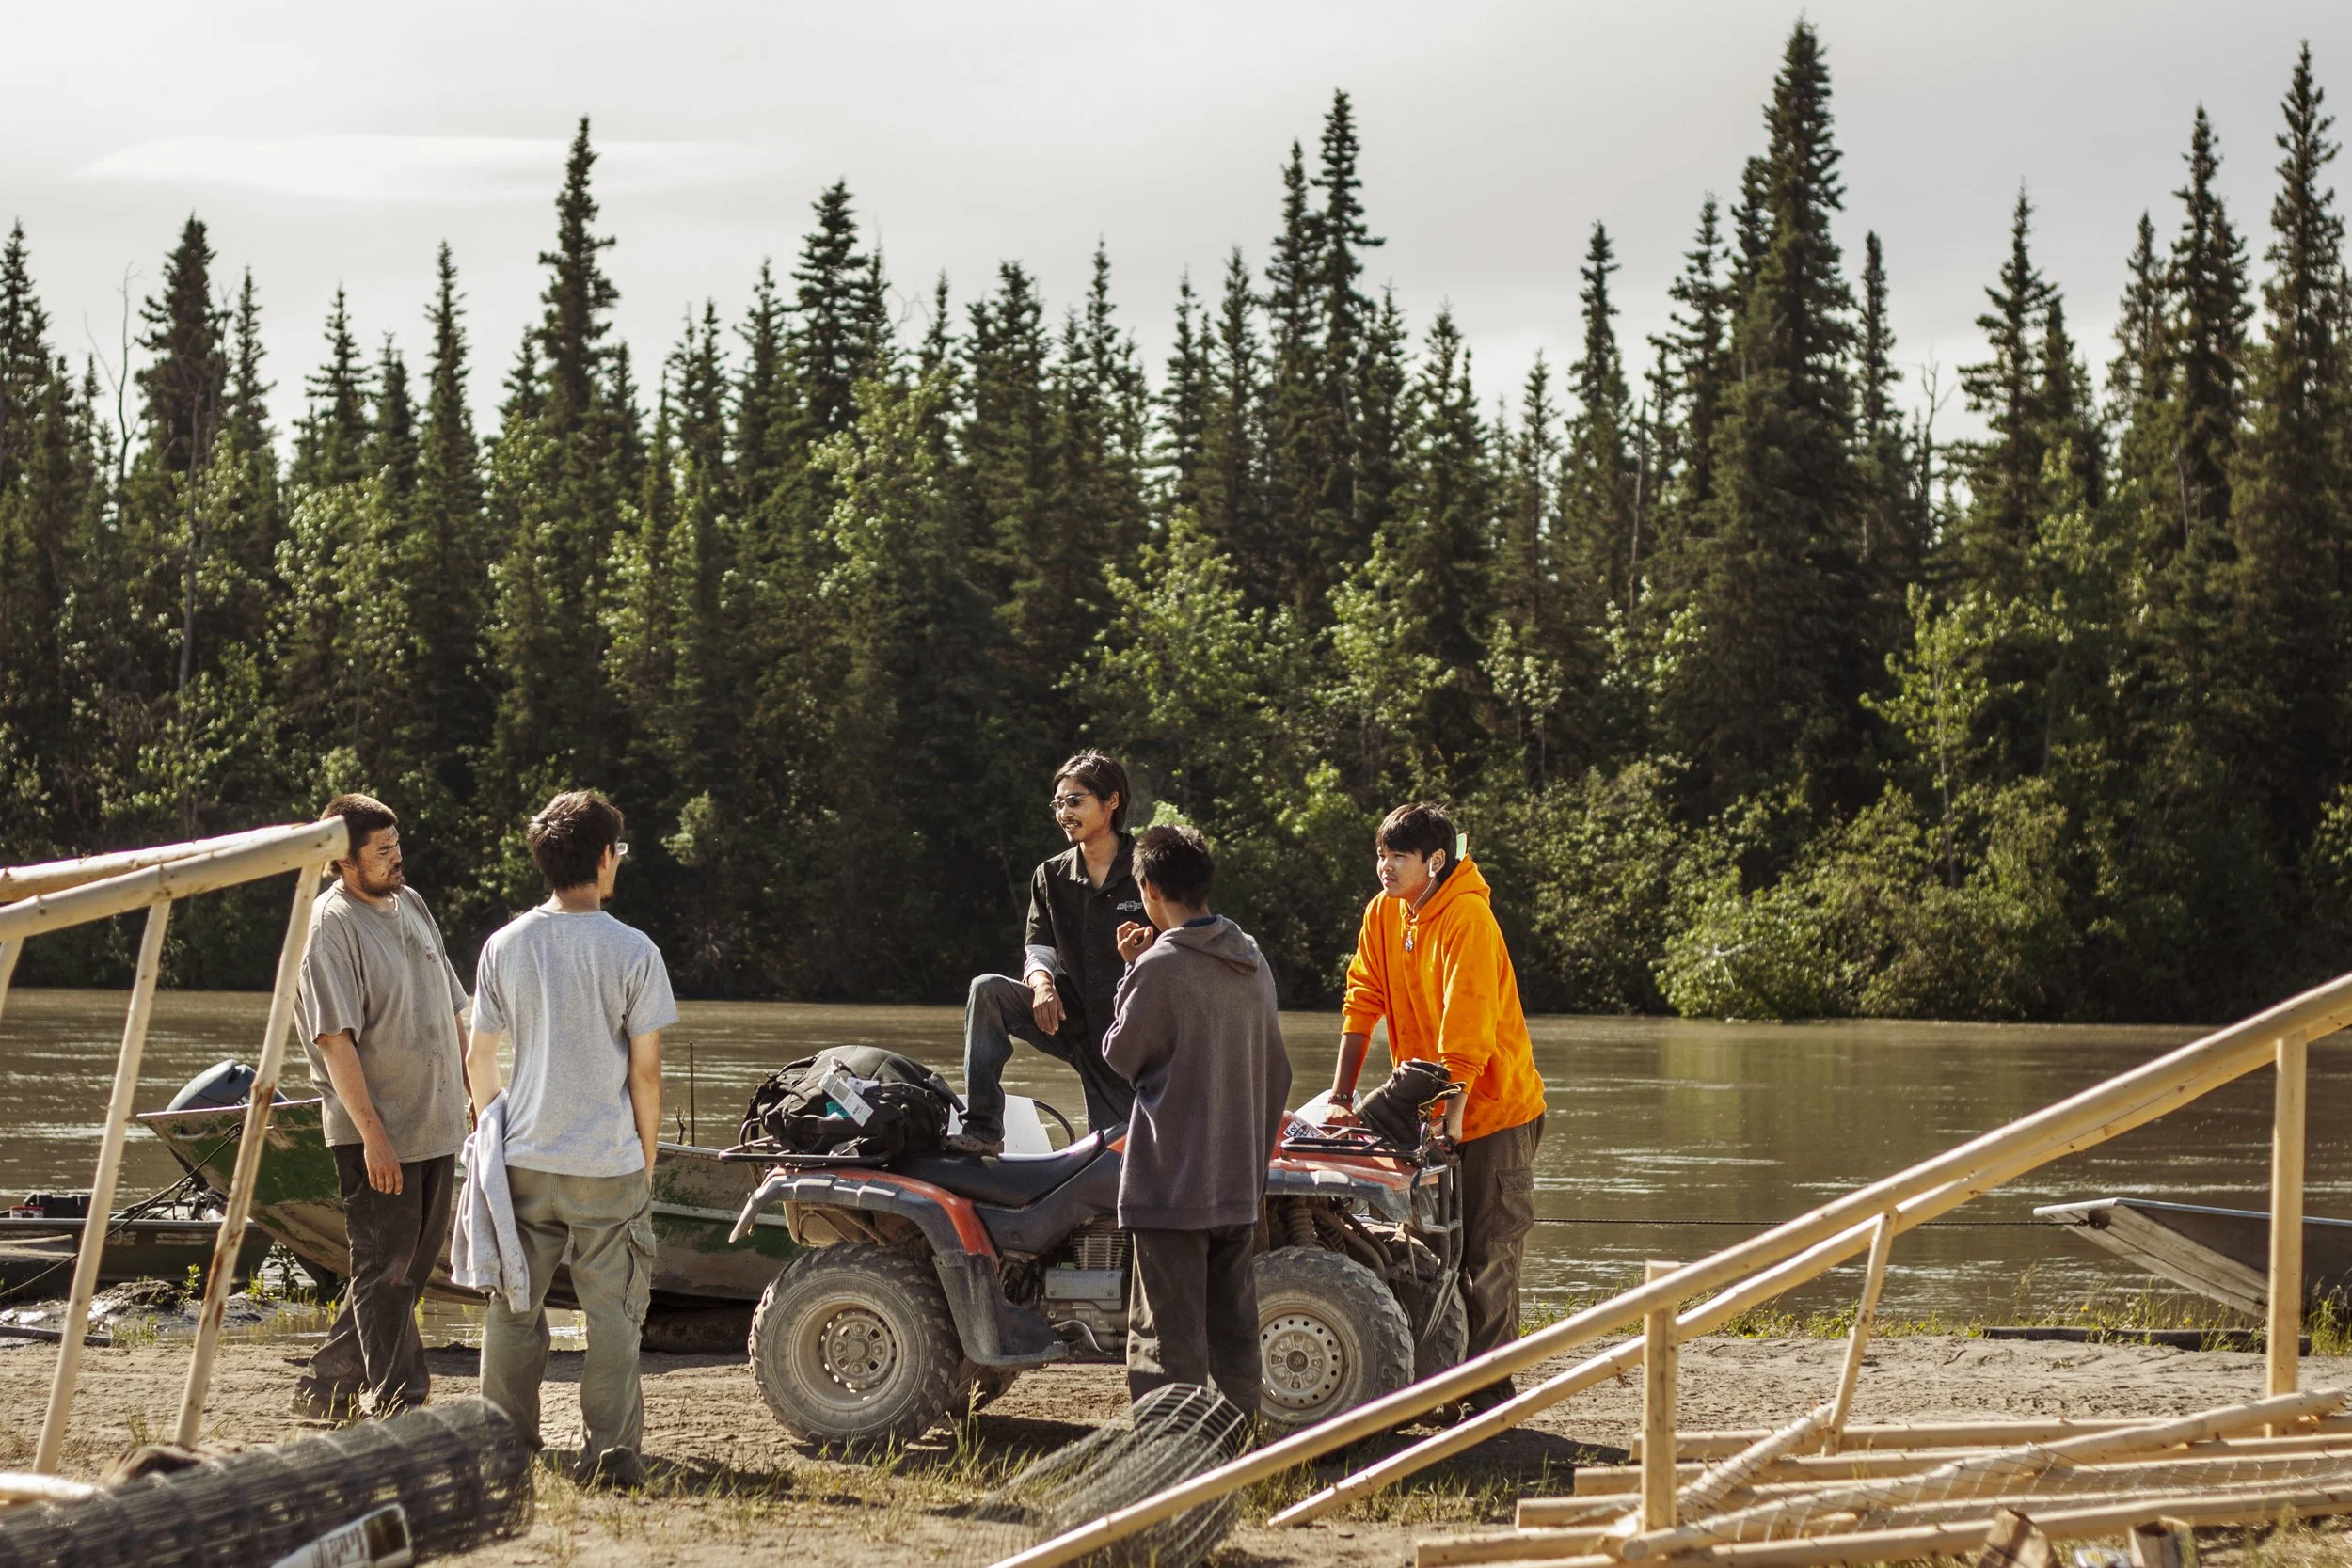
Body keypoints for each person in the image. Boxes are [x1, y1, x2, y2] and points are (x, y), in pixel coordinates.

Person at [464, 791, 675, 1490]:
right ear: (605, 857)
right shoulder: (634, 949)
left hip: (523, 1155)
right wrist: (644, 1158)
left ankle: (502, 1442)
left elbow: (479, 1059)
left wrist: (498, 1120)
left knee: (514, 1303)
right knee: (611, 1312)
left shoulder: (504, 944)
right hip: (605, 1162)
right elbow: (646, 1073)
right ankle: (611, 1456)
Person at [1332, 802, 1546, 1417]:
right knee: (1425, 1251)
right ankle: (1434, 1384)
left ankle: (1488, 1397)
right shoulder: (1384, 914)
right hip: (1430, 1111)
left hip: (1495, 1111)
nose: (1384, 868)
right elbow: (1362, 999)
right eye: (1380, 854)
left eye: (1398, 857)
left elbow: (1467, 1028)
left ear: (1435, 860)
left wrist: (1451, 1117)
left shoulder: (1468, 917)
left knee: (1490, 1255)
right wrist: (1344, 1096)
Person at [291, 794, 474, 1419]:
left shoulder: (412, 903)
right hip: (378, 1133)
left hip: (436, 1123)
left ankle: (327, 1386)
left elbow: (454, 1007)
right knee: (384, 1271)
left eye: (398, 846)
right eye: (382, 851)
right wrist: (373, 1136)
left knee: (405, 1272)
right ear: (344, 860)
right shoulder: (330, 925)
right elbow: (335, 1041)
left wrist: (475, 1091)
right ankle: (402, 1401)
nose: (397, 859)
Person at [1103, 824, 1291, 1414]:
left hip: (1170, 1186)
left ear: (1152, 889)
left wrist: (1130, 969)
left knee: (1166, 1344)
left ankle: (1173, 1465)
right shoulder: (1252, 960)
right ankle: (1236, 1456)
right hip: (1237, 1184)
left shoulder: (1159, 967)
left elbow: (1121, 1054)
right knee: (1234, 1336)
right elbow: (1277, 1071)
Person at [949, 751, 1142, 1155]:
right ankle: (983, 1130)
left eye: (1076, 801)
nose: (1064, 813)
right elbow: (1039, 946)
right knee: (988, 991)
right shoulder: (1050, 874)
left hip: (1133, 1035)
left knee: (1115, 1157)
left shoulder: (1148, 866)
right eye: (1058, 803)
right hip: (1069, 1019)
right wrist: (1041, 985)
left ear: (1112, 801)